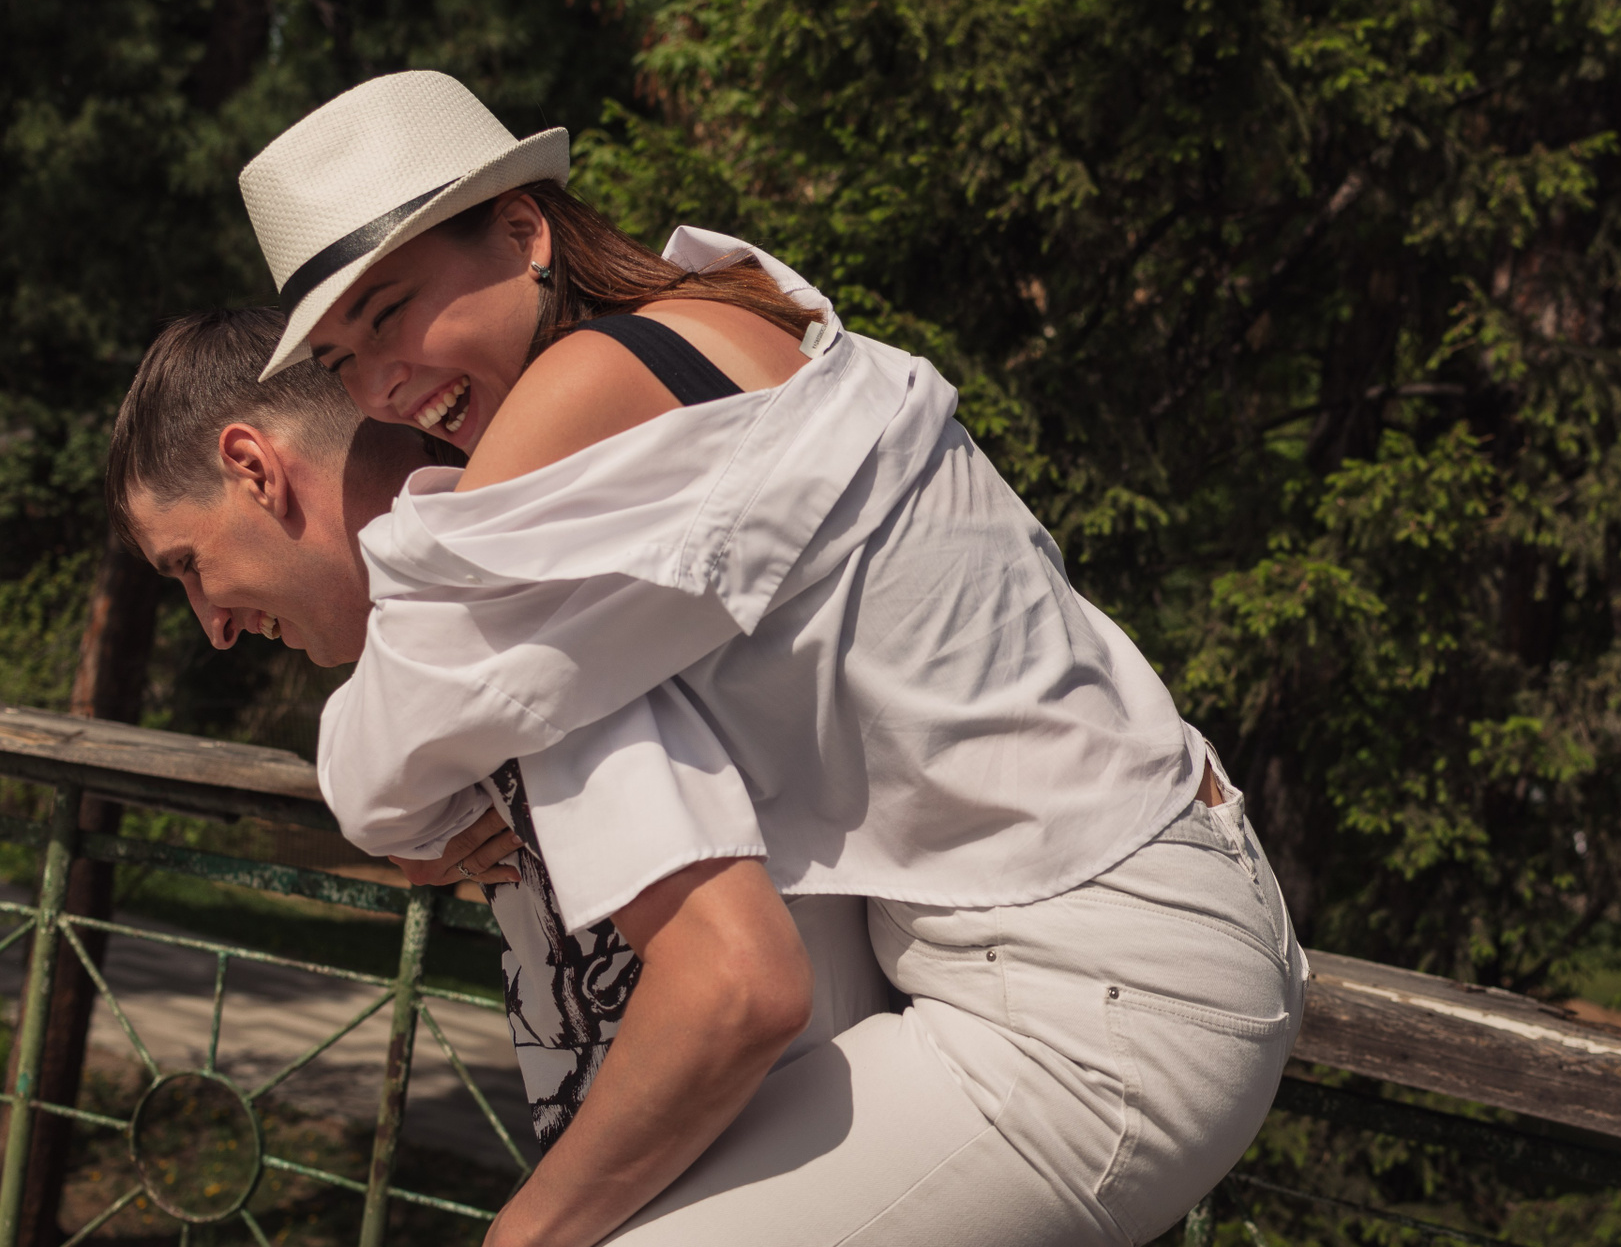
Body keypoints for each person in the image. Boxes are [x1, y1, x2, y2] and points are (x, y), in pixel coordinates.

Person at [236, 71, 1308, 1247]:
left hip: (1087, 1013)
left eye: (389, 312)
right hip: (1150, 916)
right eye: (338, 361)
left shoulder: (588, 384)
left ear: (524, 232)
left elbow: (382, 753)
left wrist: (414, 815)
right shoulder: (733, 315)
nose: (381, 387)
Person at [106, 307, 888, 1150]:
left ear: (254, 469)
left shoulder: (508, 623)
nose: (213, 625)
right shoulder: (490, 632)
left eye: (189, 565)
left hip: (761, 1164)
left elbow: (734, 984)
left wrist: (539, 1219)